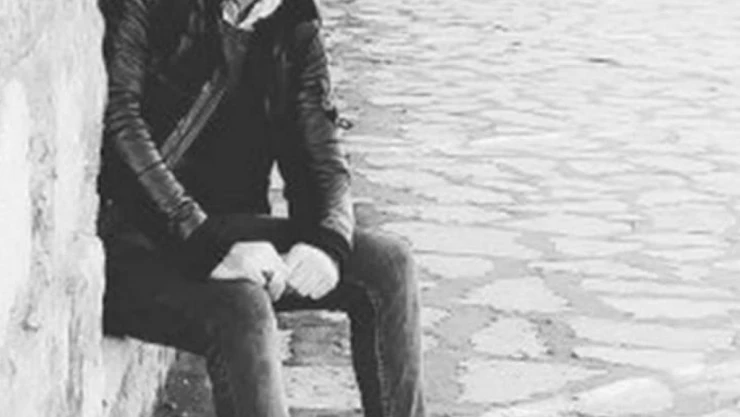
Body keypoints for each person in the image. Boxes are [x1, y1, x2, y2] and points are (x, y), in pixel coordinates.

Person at [97, 0, 426, 416]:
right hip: (135, 238)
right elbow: (120, 127)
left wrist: (327, 242)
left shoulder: (292, 21)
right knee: (242, 308)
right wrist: (208, 246)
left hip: (228, 235)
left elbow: (322, 154)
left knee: (389, 265)